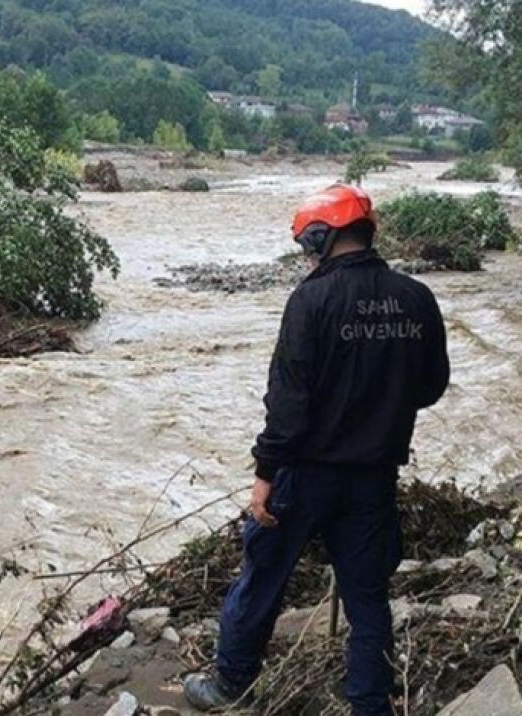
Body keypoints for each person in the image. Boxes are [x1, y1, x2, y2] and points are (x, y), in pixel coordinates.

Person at [184, 184, 450, 716]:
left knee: (262, 577)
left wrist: (265, 474)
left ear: (322, 237)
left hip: (304, 476)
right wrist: (381, 409)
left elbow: (288, 403)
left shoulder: (310, 301)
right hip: (374, 476)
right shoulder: (417, 297)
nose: (309, 254)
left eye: (310, 244)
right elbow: (431, 386)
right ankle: (370, 705)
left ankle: (232, 686)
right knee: (368, 595)